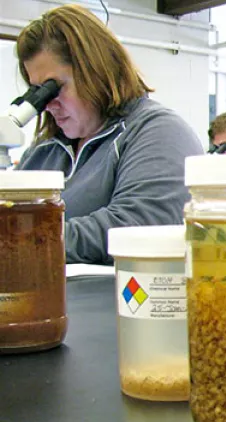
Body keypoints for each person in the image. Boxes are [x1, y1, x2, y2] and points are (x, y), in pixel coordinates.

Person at [15, 5, 203, 265]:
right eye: (37, 92)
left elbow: (138, 226)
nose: (47, 105)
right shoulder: (44, 153)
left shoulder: (157, 132)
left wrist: (20, 240)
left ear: (96, 71)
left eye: (52, 88)